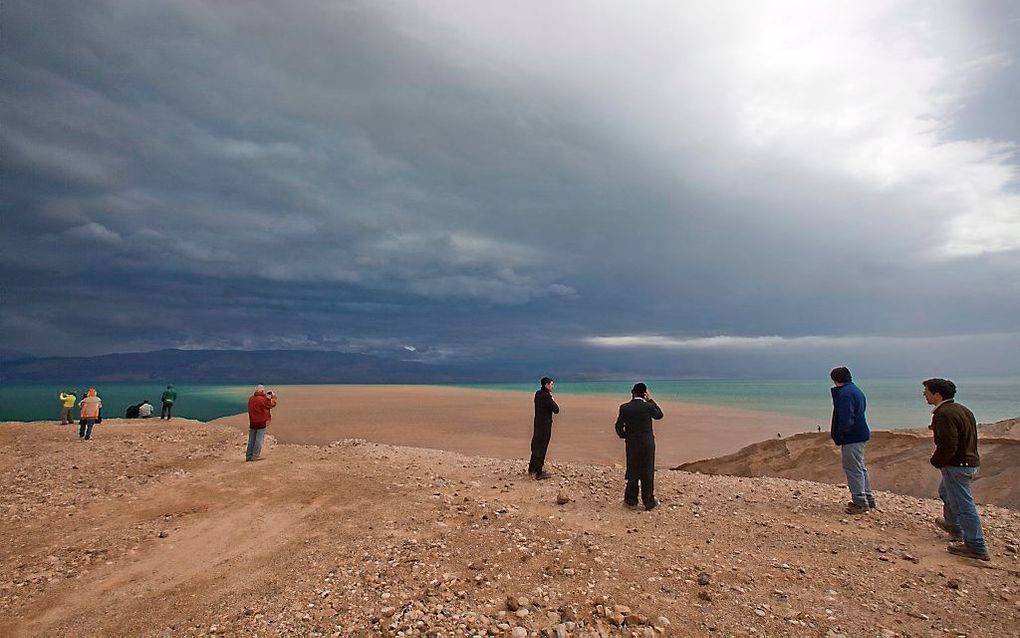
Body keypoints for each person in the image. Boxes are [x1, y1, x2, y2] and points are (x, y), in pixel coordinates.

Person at [924, 378, 990, 561]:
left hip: (958, 465)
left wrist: (937, 461)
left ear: (937, 395)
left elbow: (948, 444)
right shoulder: (961, 409)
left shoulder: (944, 413)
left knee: (964, 505)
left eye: (927, 391)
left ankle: (976, 546)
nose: (924, 395)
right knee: (945, 492)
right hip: (967, 462)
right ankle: (954, 526)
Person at [829, 367, 874, 514]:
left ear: (835, 379)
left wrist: (841, 434)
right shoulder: (855, 391)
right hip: (860, 434)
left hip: (852, 436)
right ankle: (867, 497)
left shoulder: (845, 394)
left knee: (852, 468)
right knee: (860, 467)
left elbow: (846, 417)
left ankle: (860, 501)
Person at [614, 383, 664, 511]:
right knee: (647, 471)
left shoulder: (625, 407)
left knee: (633, 470)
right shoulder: (648, 406)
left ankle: (631, 501)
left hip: (632, 443)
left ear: (633, 392)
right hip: (647, 443)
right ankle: (648, 501)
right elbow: (659, 415)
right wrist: (651, 399)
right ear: (645, 393)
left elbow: (618, 427)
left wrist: (625, 436)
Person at [528, 377, 560, 480]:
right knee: (542, 447)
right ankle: (538, 472)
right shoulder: (546, 396)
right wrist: (551, 398)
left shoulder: (538, 394)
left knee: (536, 445)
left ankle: (532, 469)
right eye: (551, 384)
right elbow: (556, 409)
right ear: (546, 385)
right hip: (545, 425)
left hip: (537, 424)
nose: (553, 386)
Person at [246, 385, 278, 462]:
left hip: (252, 422)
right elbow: (272, 404)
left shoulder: (251, 399)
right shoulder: (263, 400)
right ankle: (255, 456)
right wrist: (273, 396)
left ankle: (248, 455)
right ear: (262, 391)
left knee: (251, 439)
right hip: (261, 422)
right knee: (259, 440)